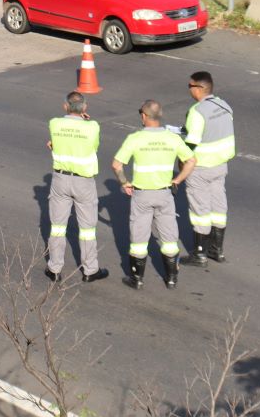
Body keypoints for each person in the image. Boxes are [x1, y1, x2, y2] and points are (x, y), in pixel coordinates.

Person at [112, 100, 196, 290]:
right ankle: (172, 278)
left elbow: (117, 165)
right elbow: (191, 160)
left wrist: (125, 183)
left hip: (142, 195)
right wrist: (177, 180)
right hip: (165, 194)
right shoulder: (173, 139)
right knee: (168, 237)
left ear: (144, 116)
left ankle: (137, 279)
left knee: (139, 239)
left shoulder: (135, 138)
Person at [44, 91, 108, 283]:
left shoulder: (55, 124)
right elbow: (92, 147)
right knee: (87, 228)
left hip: (60, 180)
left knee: (57, 227)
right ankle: (90, 270)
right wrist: (85, 120)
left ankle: (54, 268)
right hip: (83, 182)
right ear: (85, 108)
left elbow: (55, 143)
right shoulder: (93, 127)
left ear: (65, 106)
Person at [180, 71, 235, 265]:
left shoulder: (197, 111)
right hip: (221, 164)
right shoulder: (224, 105)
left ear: (199, 88)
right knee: (219, 206)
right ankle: (217, 250)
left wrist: (182, 164)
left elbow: (190, 146)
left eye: (190, 86)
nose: (188, 89)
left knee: (199, 210)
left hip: (201, 167)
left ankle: (199, 254)